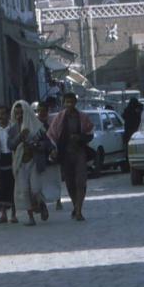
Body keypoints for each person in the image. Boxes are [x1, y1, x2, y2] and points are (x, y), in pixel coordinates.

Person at [47, 92, 94, 221]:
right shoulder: (59, 118)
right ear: (64, 103)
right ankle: (76, 206)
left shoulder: (83, 117)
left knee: (81, 181)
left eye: (71, 102)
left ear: (75, 102)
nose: (69, 104)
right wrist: (54, 150)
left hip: (79, 153)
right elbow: (51, 135)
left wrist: (80, 137)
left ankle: (79, 210)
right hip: (65, 154)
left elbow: (90, 133)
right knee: (70, 183)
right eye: (67, 102)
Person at [10, 100, 55, 226]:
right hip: (20, 163)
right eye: (16, 113)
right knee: (24, 190)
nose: (19, 116)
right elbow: (10, 145)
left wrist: (38, 145)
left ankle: (41, 205)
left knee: (35, 189)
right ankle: (31, 218)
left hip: (34, 161)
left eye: (21, 113)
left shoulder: (37, 126)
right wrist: (20, 136)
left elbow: (47, 143)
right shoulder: (13, 129)